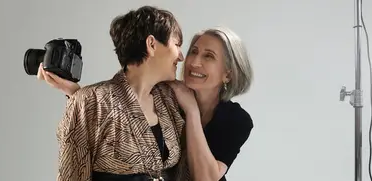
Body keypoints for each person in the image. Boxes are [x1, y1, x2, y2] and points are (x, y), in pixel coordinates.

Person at [41, 26, 254, 181]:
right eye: (194, 51)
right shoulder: (165, 93)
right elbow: (120, 114)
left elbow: (206, 178)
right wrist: (76, 94)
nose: (193, 62)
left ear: (228, 74)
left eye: (209, 56)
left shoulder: (236, 120)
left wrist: (191, 111)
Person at [45, 5, 189, 181]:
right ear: (151, 44)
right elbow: (71, 176)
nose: (181, 56)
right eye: (177, 44)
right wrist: (79, 100)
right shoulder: (90, 102)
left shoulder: (170, 101)